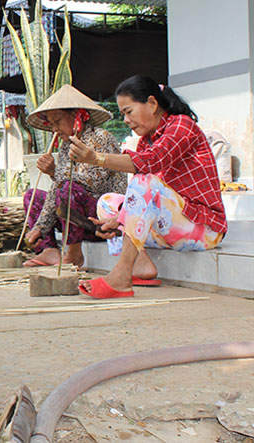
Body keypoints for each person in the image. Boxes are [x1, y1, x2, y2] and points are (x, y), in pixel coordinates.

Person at [69, 75, 227, 299]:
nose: (125, 120)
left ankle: (122, 275)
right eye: (123, 114)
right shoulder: (147, 139)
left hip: (204, 229)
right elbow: (142, 194)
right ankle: (140, 266)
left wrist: (96, 158)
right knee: (107, 203)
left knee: (144, 181)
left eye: (128, 111)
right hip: (171, 227)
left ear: (152, 104)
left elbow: (152, 164)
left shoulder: (183, 125)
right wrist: (120, 219)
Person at [22, 85, 127, 269]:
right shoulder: (65, 147)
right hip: (74, 217)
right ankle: (48, 250)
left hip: (102, 220)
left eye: (58, 121)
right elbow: (57, 188)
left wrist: (55, 172)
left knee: (69, 189)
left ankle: (74, 252)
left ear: (77, 116)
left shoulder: (101, 138)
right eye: (51, 124)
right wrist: (40, 227)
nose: (54, 129)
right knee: (33, 196)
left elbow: (90, 182)